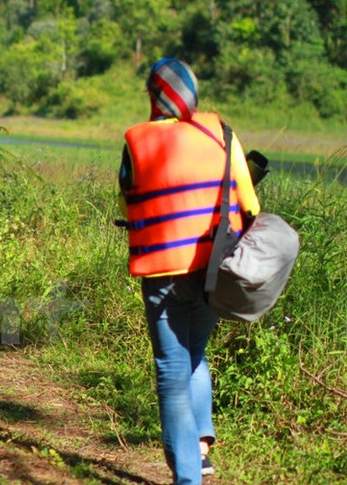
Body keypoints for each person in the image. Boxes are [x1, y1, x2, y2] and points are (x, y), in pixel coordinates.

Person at [117, 58, 261, 485]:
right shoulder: (223, 132)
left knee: (171, 368)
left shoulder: (137, 140)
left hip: (163, 272)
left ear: (152, 96)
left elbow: (128, 201)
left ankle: (187, 477)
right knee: (195, 354)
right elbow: (250, 206)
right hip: (217, 269)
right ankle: (200, 451)